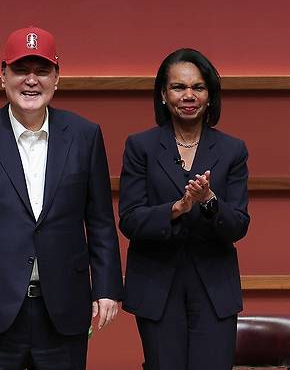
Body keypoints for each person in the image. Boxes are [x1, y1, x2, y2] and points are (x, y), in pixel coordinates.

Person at [0, 26, 123, 370]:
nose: (32, 80)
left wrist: (107, 287)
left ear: (57, 78)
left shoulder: (84, 135)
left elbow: (101, 219)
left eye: (42, 71)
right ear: (3, 76)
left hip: (61, 307)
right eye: (21, 70)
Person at [118, 48, 250, 370]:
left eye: (198, 87)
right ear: (163, 95)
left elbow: (238, 225)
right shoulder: (141, 147)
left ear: (209, 96)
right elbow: (130, 219)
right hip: (157, 286)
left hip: (214, 288)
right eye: (179, 87)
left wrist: (208, 202)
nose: (188, 95)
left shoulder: (232, 149)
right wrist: (175, 209)